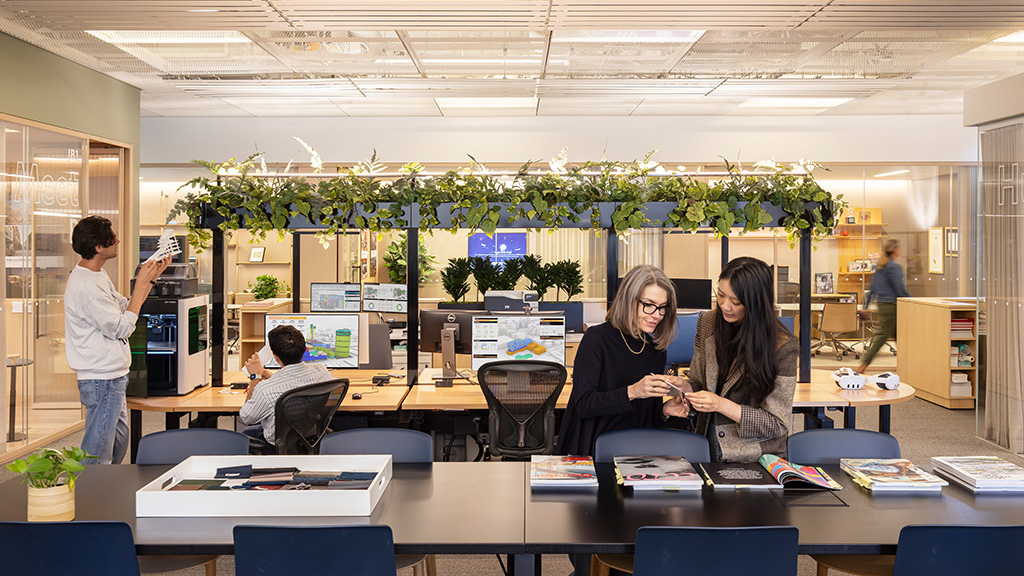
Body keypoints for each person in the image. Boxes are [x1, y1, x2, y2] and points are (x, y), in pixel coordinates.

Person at [65, 215, 170, 465]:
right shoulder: (86, 288)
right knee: (99, 450)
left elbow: (125, 305)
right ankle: (91, 497)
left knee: (117, 444)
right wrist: (140, 285)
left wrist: (151, 278)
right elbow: (122, 326)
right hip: (101, 377)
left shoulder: (97, 275)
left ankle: (103, 493)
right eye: (113, 238)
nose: (118, 241)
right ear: (98, 247)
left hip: (113, 375)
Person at [555, 264, 691, 457]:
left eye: (662, 308)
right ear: (629, 300)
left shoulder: (655, 350)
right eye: (649, 305)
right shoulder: (597, 339)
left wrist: (665, 411)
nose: (657, 315)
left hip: (635, 451)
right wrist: (633, 391)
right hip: (593, 449)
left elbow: (645, 417)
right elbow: (584, 404)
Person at [683, 257, 798, 463]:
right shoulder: (708, 323)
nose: (725, 306)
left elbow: (777, 425)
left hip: (757, 457)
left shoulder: (782, 346)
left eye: (736, 302)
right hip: (706, 447)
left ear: (755, 302)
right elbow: (699, 382)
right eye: (720, 295)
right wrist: (685, 387)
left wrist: (720, 404)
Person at [239, 324, 332, 452]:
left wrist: (255, 378)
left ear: (276, 357)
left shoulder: (266, 390)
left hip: (277, 445)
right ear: (303, 349)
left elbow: (246, 417)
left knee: (245, 433)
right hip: (310, 437)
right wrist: (267, 375)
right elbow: (294, 383)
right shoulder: (322, 372)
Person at [856, 239, 910, 374]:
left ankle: (907, 365)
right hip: (892, 305)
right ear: (894, 250)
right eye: (899, 248)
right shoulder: (893, 267)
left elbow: (871, 288)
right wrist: (910, 301)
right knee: (882, 336)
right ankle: (863, 364)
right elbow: (899, 287)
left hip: (882, 304)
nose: (900, 250)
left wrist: (865, 306)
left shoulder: (880, 266)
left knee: (898, 335)